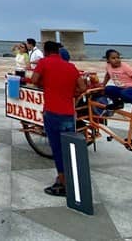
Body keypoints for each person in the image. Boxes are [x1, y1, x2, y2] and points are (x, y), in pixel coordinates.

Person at [31, 40, 86, 197]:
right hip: (69, 114)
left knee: (57, 149)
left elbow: (34, 80)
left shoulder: (44, 62)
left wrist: (45, 83)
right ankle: (72, 178)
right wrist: (70, 92)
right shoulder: (71, 67)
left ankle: (63, 182)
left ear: (46, 51)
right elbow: (82, 88)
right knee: (69, 148)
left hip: (52, 112)